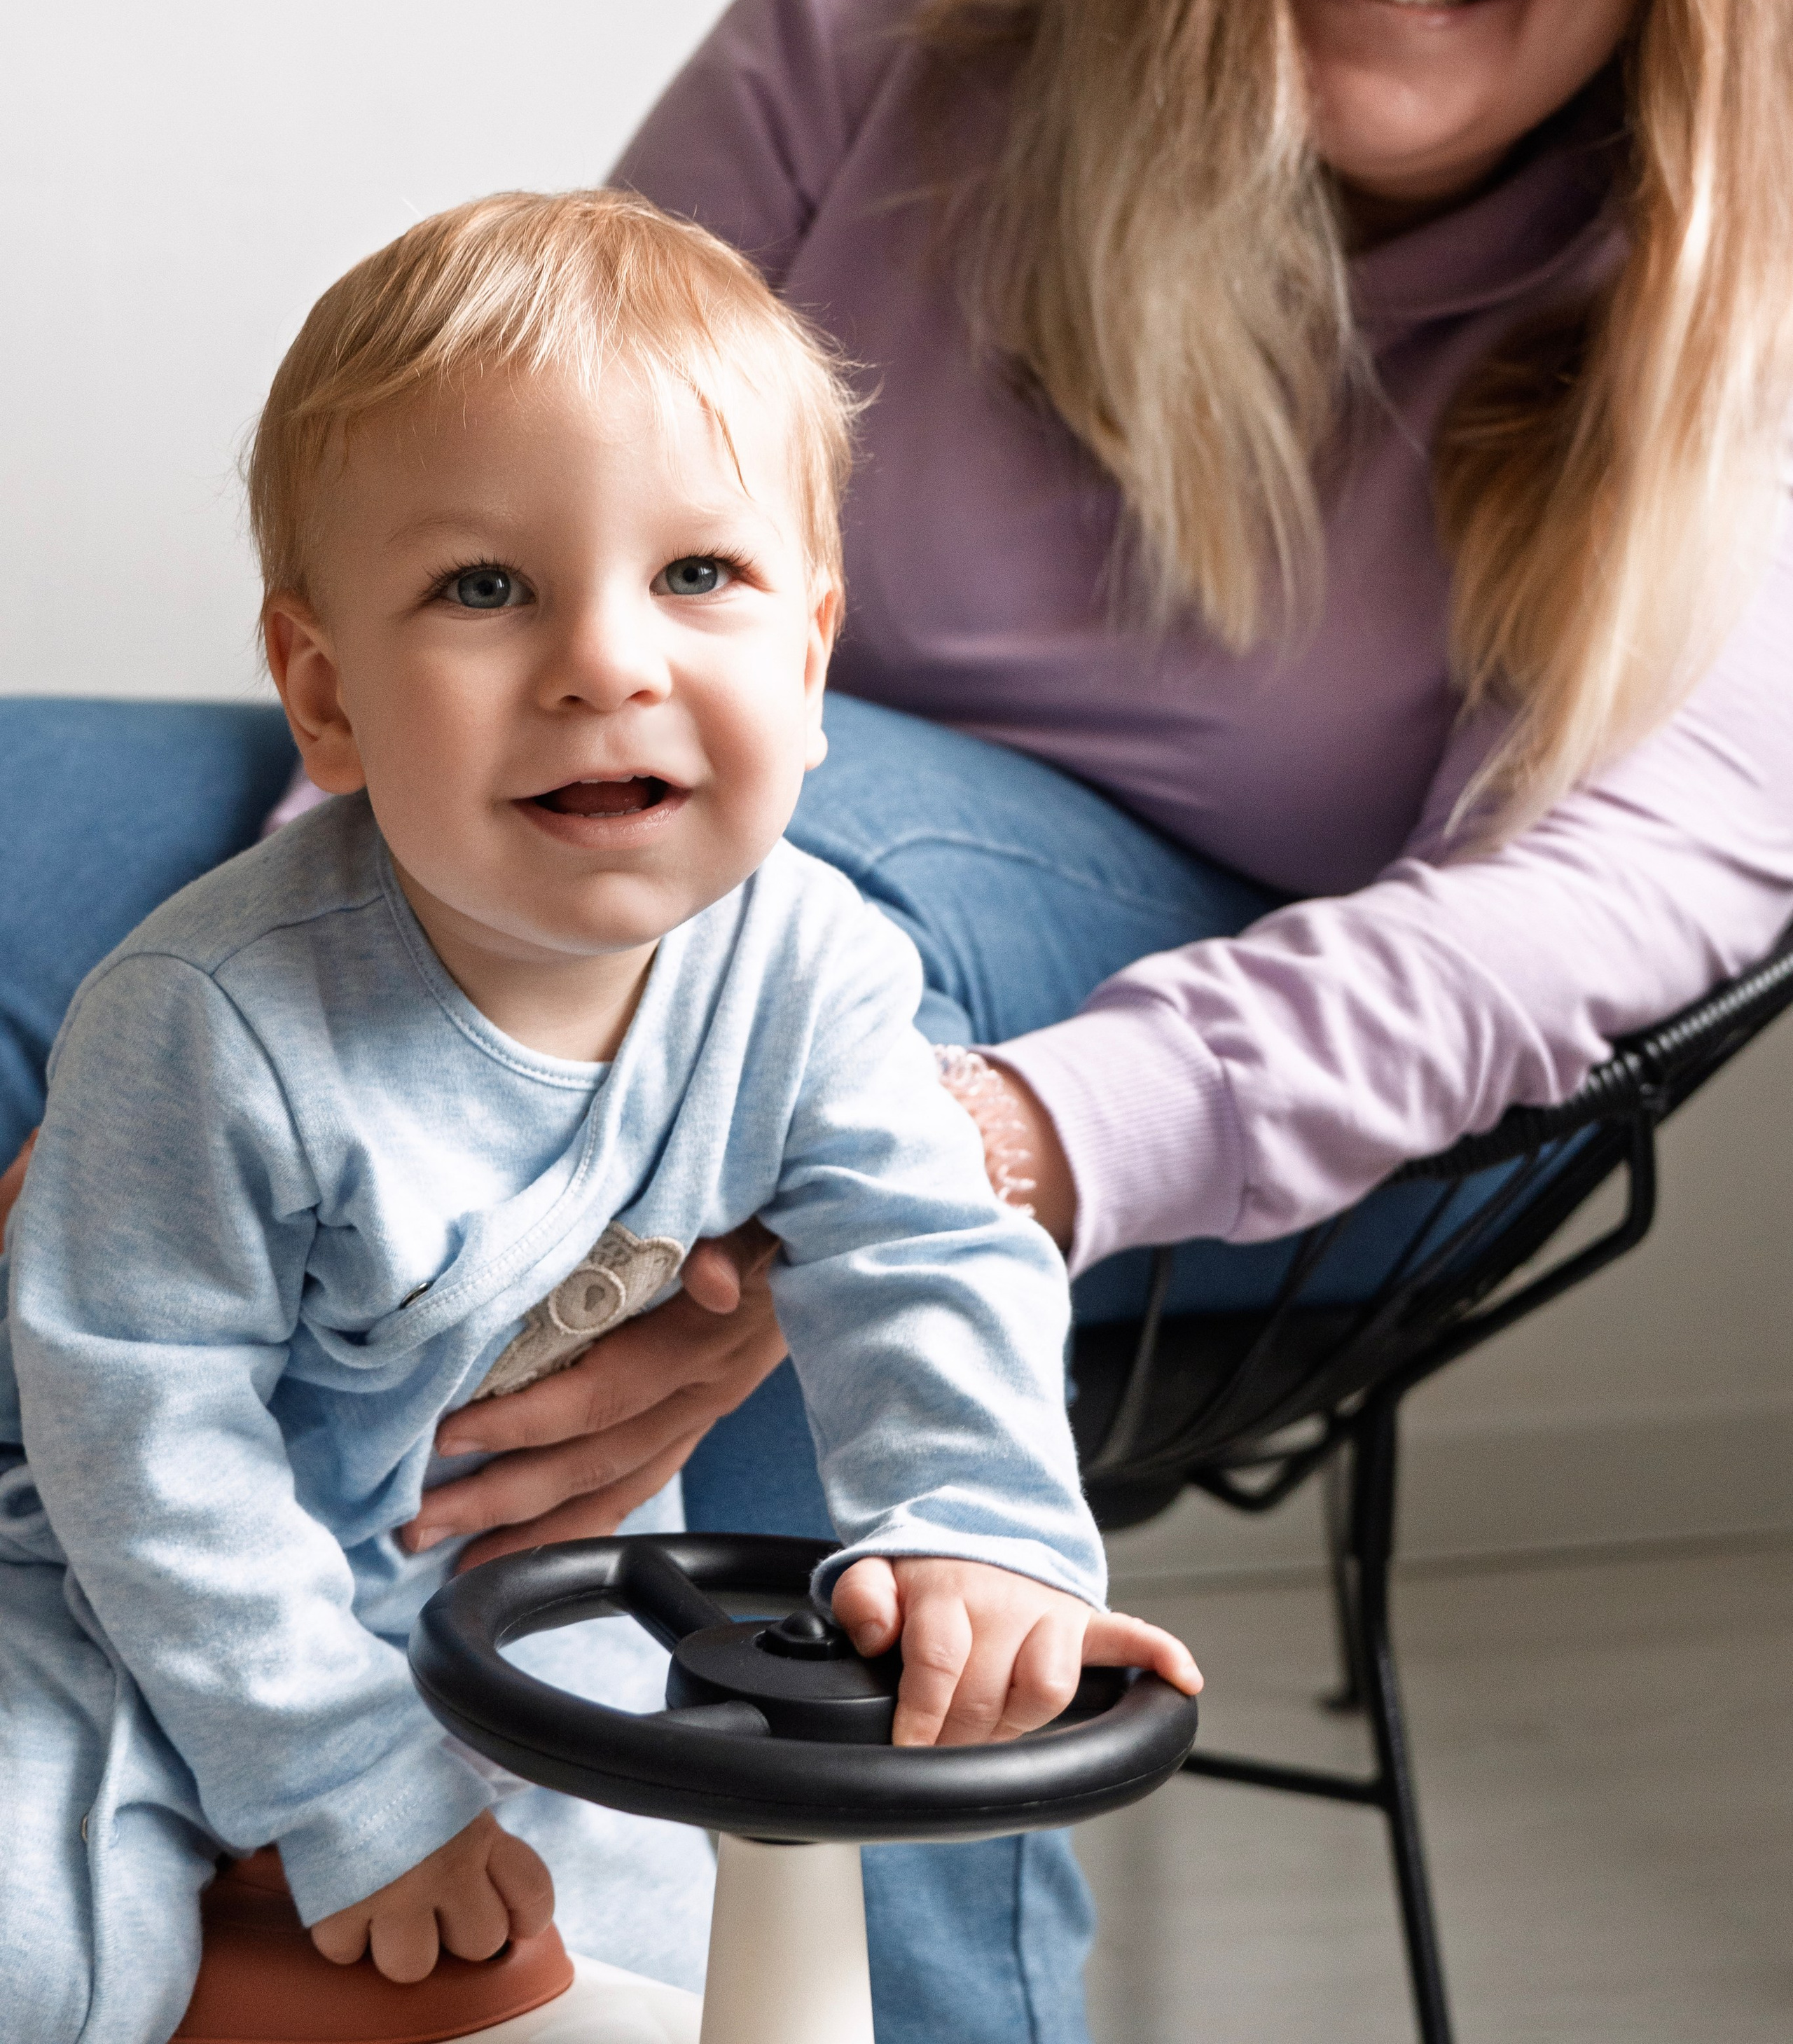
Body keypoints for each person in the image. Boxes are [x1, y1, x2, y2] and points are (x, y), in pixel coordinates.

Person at [365, 0, 1793, 2043]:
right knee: (61, 857)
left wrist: (977, 1147)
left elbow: (1606, 911)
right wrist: (289, 948)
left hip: (1264, 1086)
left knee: (773, 978)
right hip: (625, 894)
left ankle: (910, 2007)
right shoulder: (867, 38)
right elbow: (504, 517)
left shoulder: (1732, 306)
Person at [0, 189, 1196, 2044]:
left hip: (500, 1600)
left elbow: (931, 1253)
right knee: (40, 1956)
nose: (604, 661)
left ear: (808, 664)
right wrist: (345, 1790)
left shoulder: (817, 971)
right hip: (93, 1589)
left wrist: (978, 1523)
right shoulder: (216, 1016)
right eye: (486, 589)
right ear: (326, 693)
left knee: (669, 1980)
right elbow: (141, 1438)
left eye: (697, 579)